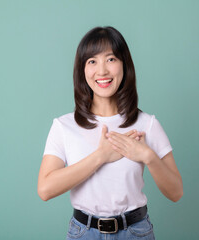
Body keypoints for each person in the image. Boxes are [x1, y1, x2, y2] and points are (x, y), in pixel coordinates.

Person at [38, 26, 183, 240]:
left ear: (125, 65)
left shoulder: (146, 124)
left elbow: (176, 193)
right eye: (92, 61)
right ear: (82, 70)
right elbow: (45, 189)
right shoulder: (64, 126)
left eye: (111, 59)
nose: (102, 71)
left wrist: (148, 157)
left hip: (135, 232)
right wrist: (101, 156)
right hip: (83, 233)